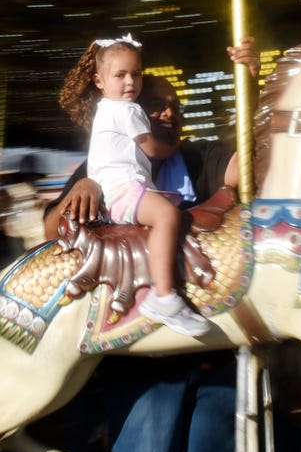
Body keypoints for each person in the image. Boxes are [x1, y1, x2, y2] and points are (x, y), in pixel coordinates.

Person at [44, 39, 259, 452]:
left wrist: (252, 87)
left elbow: (248, 167)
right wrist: (83, 186)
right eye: (156, 106)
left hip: (208, 345)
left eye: (174, 106)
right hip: (142, 360)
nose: (168, 114)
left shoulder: (200, 160)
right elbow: (50, 230)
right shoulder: (101, 166)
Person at [58, 33, 209, 336]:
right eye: (121, 75)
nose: (130, 82)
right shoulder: (128, 111)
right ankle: (164, 297)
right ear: (99, 80)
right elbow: (153, 149)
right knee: (167, 216)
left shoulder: (106, 109)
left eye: (135, 74)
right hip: (123, 188)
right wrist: (173, 146)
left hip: (122, 188)